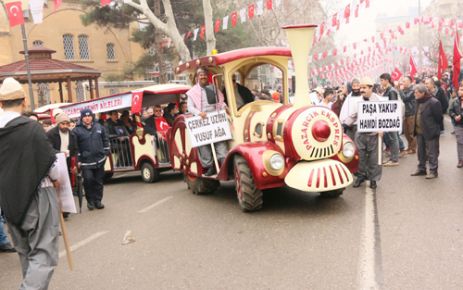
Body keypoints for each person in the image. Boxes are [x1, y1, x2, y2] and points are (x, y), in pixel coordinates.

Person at [0, 77, 60, 289]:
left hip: (8, 198)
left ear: (0, 103)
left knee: (26, 253)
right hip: (38, 194)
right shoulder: (32, 128)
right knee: (43, 253)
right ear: (24, 101)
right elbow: (52, 165)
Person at [186, 67, 228, 176]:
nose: (203, 76)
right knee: (204, 145)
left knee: (220, 141)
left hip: (215, 119)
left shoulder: (213, 88)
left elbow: (220, 102)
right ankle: (210, 167)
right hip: (201, 120)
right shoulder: (192, 92)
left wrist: (225, 107)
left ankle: (223, 166)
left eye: (204, 74)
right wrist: (199, 113)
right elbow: (190, 107)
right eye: (200, 75)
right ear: (197, 77)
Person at [73, 108, 110, 210]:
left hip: (99, 160)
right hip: (86, 162)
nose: (87, 118)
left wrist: (106, 152)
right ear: (82, 118)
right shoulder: (76, 130)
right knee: (88, 180)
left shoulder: (99, 127)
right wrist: (78, 160)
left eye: (89, 116)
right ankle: (90, 201)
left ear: (92, 116)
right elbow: (75, 147)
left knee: (99, 181)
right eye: (85, 116)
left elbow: (105, 140)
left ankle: (98, 201)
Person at [352, 77, 383, 189]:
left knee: (374, 159)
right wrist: (344, 124)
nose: (361, 90)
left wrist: (382, 129)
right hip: (360, 134)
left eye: (364, 88)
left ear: (371, 88)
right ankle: (360, 176)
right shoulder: (357, 101)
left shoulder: (380, 100)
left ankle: (373, 179)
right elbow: (353, 115)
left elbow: (388, 116)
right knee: (360, 157)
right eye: (361, 87)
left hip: (374, 135)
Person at [46, 112, 78, 218]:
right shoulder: (50, 134)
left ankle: (66, 209)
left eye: (66, 124)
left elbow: (75, 150)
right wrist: (59, 153)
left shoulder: (72, 134)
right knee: (57, 185)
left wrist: (75, 164)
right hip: (56, 162)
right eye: (62, 124)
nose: (65, 126)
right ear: (58, 123)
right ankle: (57, 209)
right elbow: (48, 148)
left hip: (68, 161)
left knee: (67, 185)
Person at [411, 84, 443, 179]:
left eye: (416, 93)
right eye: (414, 92)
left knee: (432, 153)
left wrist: (434, 129)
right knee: (420, 152)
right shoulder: (417, 101)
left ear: (423, 93)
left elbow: (439, 118)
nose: (414, 94)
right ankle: (421, 169)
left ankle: (433, 171)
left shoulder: (434, 102)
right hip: (419, 131)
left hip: (430, 132)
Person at [379, 73, 401, 167]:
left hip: (391, 117)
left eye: (382, 80)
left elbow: (392, 105)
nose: (381, 82)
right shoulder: (388, 90)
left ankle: (395, 159)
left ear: (386, 80)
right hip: (389, 117)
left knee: (393, 138)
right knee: (392, 138)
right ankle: (393, 157)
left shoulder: (391, 91)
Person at [401, 76, 417, 154]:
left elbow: (405, 98)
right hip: (405, 113)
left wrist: (400, 91)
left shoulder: (412, 90)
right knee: (406, 132)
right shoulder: (404, 90)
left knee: (411, 133)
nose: (402, 83)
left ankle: (413, 148)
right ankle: (409, 146)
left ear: (409, 82)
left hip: (411, 113)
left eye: (404, 81)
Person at [449, 84, 463, 168]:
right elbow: (450, 111)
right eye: (459, 89)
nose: (459, 91)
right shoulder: (455, 101)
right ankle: (461, 160)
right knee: (460, 142)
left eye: (462, 90)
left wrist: (461, 116)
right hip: (458, 125)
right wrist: (454, 116)